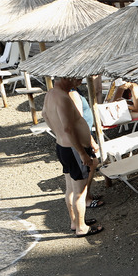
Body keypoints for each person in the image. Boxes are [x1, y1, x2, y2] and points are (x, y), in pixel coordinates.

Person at [43, 77, 103, 237]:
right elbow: (68, 128)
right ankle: (81, 227)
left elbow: (45, 115)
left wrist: (57, 133)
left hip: (62, 147)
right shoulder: (63, 98)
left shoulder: (50, 94)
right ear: (65, 78)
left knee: (70, 188)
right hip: (74, 150)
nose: (79, 80)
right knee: (80, 192)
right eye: (75, 77)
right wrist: (82, 153)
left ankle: (75, 222)